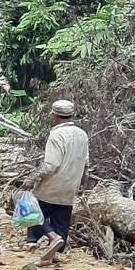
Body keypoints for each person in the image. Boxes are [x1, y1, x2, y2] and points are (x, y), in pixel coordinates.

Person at [21, 100, 89, 254]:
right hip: (71, 187)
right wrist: (81, 185)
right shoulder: (82, 135)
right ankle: (52, 251)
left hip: (52, 185)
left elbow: (51, 165)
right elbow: (86, 164)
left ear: (55, 115)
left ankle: (50, 238)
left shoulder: (56, 135)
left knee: (33, 213)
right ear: (71, 115)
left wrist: (33, 177)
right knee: (61, 221)